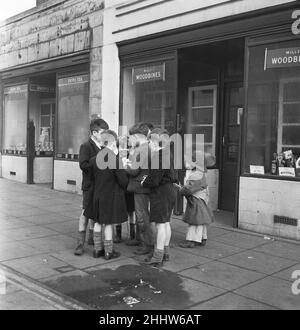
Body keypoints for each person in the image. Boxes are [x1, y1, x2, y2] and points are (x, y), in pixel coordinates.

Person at [84, 130, 129, 260]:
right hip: (111, 196)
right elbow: (123, 181)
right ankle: (109, 252)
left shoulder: (93, 160)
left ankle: (97, 250)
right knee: (108, 224)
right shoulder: (115, 160)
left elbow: (91, 178)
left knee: (97, 222)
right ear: (113, 143)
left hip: (97, 195)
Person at [141, 128, 178, 266]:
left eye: (149, 141)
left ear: (155, 142)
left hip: (161, 192)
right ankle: (165, 253)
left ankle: (157, 257)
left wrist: (144, 181)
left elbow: (154, 180)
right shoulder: (168, 153)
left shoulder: (159, 156)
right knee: (166, 222)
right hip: (170, 190)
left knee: (160, 224)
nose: (149, 144)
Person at [74, 118, 109, 256]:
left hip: (101, 186)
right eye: (103, 132)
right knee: (85, 213)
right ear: (94, 133)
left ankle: (92, 238)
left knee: (97, 212)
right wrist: (98, 162)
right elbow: (83, 165)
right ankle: (79, 244)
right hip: (90, 185)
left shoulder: (104, 146)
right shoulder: (86, 146)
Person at [124, 123, 155, 254]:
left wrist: (124, 164)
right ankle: (139, 238)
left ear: (137, 136)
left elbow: (133, 170)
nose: (130, 139)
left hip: (140, 187)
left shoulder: (142, 149)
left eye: (131, 136)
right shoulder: (146, 147)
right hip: (142, 186)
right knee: (140, 213)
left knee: (141, 215)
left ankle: (146, 243)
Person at [178, 153, 215, 248]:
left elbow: (188, 189)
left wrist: (180, 189)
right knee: (201, 220)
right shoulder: (200, 172)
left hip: (196, 200)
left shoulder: (196, 174)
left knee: (194, 221)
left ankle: (191, 241)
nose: (186, 164)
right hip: (201, 199)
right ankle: (203, 238)